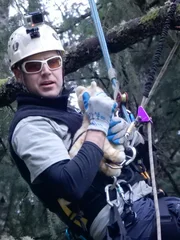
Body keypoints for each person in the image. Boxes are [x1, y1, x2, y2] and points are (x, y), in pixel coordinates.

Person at [7, 14, 180, 240]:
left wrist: (132, 138)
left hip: (151, 204)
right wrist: (98, 126)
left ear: (61, 64)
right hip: (122, 221)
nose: (46, 71)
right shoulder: (29, 125)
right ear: (19, 74)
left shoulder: (72, 110)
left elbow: (146, 161)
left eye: (53, 62)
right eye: (33, 66)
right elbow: (70, 184)